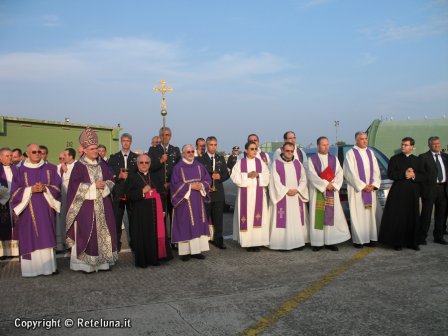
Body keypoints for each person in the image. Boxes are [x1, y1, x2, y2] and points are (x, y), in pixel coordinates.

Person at [66, 128, 117, 273]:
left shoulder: (103, 164)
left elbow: (111, 180)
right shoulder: (78, 166)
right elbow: (74, 188)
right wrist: (94, 186)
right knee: (88, 233)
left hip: (103, 205)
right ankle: (85, 265)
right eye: (93, 149)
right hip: (86, 207)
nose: (96, 151)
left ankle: (103, 263)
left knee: (104, 232)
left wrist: (105, 184)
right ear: (85, 150)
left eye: (97, 148)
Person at [10, 144, 61, 277]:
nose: (37, 154)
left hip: (45, 211)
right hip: (27, 212)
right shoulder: (20, 171)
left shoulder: (51, 168)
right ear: (27, 154)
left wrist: (46, 188)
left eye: (39, 151)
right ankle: (30, 270)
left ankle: (48, 268)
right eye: (34, 152)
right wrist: (29, 190)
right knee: (29, 237)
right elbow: (14, 193)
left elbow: (58, 187)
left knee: (46, 235)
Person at [125, 154, 171, 267]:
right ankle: (143, 261)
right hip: (140, 212)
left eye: (146, 163)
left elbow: (163, 195)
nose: (144, 165)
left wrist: (164, 210)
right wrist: (142, 191)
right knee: (142, 237)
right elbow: (128, 195)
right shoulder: (132, 177)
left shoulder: (155, 176)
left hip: (155, 211)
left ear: (150, 164)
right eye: (141, 162)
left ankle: (155, 259)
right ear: (137, 164)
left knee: (155, 235)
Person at [379, 137, 422, 250]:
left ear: (412, 147)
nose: (403, 146)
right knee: (398, 217)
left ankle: (412, 242)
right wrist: (404, 174)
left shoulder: (417, 160)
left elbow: (423, 176)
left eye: (406, 145)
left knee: (412, 217)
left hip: (413, 193)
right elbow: (391, 174)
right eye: (402, 144)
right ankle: (397, 242)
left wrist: (413, 176)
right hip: (398, 192)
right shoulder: (394, 159)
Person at [308, 137, 350, 251]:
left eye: (327, 145)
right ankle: (317, 243)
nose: (326, 147)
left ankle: (330, 241)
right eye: (323, 145)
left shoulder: (334, 159)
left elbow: (339, 173)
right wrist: (325, 184)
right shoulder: (312, 160)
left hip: (331, 192)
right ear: (318, 146)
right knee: (318, 217)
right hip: (318, 192)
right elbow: (312, 175)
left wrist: (334, 185)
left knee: (331, 216)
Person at [170, 145, 211, 261]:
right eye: (188, 152)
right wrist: (190, 186)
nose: (190, 153)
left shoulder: (199, 166)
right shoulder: (178, 168)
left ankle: (197, 251)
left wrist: (202, 185)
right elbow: (174, 184)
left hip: (198, 200)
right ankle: (184, 252)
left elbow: (207, 180)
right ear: (183, 153)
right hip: (184, 201)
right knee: (185, 224)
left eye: (192, 151)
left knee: (197, 222)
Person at [343, 131, 381, 248]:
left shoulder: (370, 153)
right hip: (357, 191)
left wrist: (373, 184)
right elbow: (349, 172)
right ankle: (359, 240)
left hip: (370, 190)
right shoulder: (350, 154)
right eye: (362, 139)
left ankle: (371, 238)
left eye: (366, 139)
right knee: (358, 214)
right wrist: (362, 185)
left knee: (370, 214)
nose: (365, 141)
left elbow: (376, 170)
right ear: (356, 140)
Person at [268, 142, 309, 250]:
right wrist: (286, 190)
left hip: (296, 196)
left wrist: (298, 189)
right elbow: (274, 181)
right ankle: (281, 244)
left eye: (291, 151)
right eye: (287, 151)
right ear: (282, 150)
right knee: (283, 219)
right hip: (282, 196)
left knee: (296, 220)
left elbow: (304, 179)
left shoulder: (298, 163)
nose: (290, 153)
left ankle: (298, 243)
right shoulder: (276, 164)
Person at [231, 141, 270, 251]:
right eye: (252, 149)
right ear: (246, 151)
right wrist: (247, 175)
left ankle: (257, 242)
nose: (254, 151)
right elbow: (234, 176)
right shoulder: (240, 163)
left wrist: (258, 175)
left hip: (258, 194)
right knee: (246, 217)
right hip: (245, 195)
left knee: (257, 217)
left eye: (255, 149)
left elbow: (267, 175)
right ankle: (247, 243)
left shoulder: (260, 163)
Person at [148, 127, 181, 243]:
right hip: (159, 188)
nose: (165, 137)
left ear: (170, 136)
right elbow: (150, 167)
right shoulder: (153, 150)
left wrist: (171, 182)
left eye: (167, 135)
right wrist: (160, 161)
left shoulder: (175, 150)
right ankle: (162, 241)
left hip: (173, 188)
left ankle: (174, 240)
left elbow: (179, 169)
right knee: (161, 216)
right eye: (162, 135)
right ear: (159, 136)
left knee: (174, 215)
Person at [197, 136, 230, 249]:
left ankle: (218, 240)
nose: (213, 147)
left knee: (218, 218)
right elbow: (198, 176)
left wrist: (220, 176)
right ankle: (203, 240)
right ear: (206, 145)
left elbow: (226, 174)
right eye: (211, 145)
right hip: (206, 194)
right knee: (204, 218)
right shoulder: (200, 160)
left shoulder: (220, 158)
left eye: (215, 145)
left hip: (218, 194)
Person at [108, 133, 138, 252]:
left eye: (128, 141)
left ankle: (134, 243)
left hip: (131, 193)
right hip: (119, 193)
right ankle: (116, 244)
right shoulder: (114, 157)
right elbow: (109, 175)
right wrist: (118, 176)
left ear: (131, 142)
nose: (126, 143)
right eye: (124, 140)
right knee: (117, 220)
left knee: (133, 219)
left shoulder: (136, 158)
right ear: (121, 142)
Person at [419, 136, 448, 245]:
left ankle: (438, 237)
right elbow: (420, 175)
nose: (437, 145)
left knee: (441, 215)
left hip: (443, 189)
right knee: (426, 215)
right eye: (434, 144)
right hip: (429, 189)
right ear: (429, 145)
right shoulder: (423, 157)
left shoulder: (445, 157)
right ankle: (421, 237)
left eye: (438, 143)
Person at [55, 148, 76, 252]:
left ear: (71, 156)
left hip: (74, 197)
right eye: (60, 158)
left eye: (64, 156)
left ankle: (73, 242)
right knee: (63, 219)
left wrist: (66, 171)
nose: (62, 159)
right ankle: (64, 241)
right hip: (63, 197)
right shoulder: (59, 167)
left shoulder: (77, 166)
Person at [0, 147, 19, 258]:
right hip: (2, 202)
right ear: (0, 158)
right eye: (7, 156)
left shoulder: (16, 169)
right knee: (3, 226)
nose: (10, 158)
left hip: (14, 201)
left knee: (15, 225)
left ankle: (15, 251)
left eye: (11, 155)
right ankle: (3, 253)